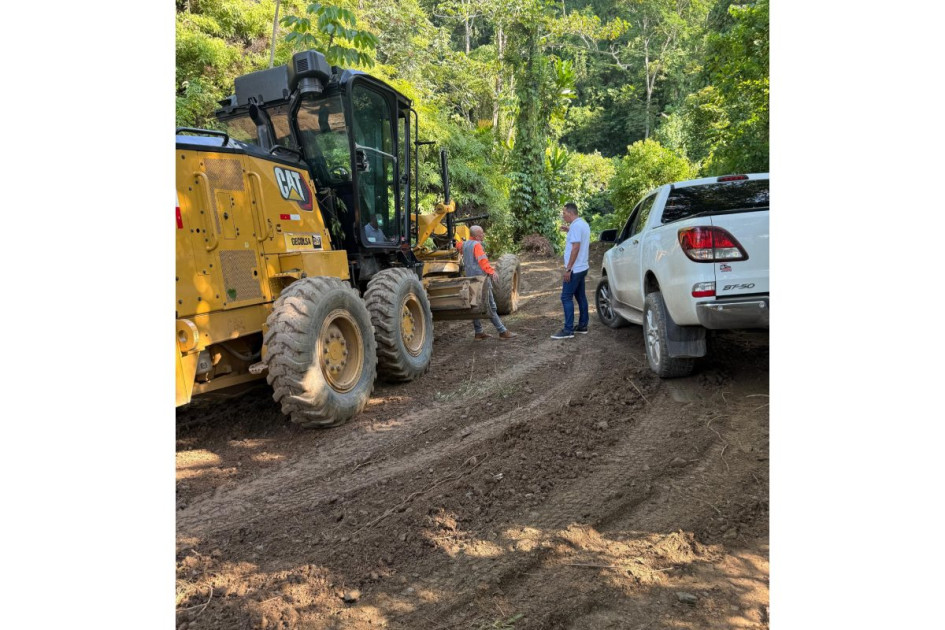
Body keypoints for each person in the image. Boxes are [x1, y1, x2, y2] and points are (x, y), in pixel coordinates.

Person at [455, 226, 517, 340]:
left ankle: (478, 332)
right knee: (491, 306)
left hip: (470, 279)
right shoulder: (477, 245)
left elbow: (458, 245)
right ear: (477, 235)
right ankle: (502, 331)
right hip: (481, 280)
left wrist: (455, 243)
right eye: (482, 233)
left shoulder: (465, 244)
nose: (483, 235)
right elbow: (482, 261)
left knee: (474, 305)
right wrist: (491, 272)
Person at [551, 202, 590, 339]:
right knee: (580, 296)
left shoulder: (576, 226)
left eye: (564, 213)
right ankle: (582, 326)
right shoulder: (582, 224)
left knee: (566, 297)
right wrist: (569, 230)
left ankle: (568, 330)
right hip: (582, 267)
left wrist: (568, 269)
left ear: (571, 213)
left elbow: (576, 247)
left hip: (575, 269)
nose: (563, 216)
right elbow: (580, 237)